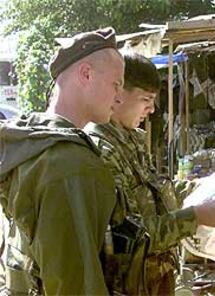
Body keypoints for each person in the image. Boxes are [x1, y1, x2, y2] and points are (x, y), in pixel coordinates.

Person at [85, 51, 215, 295]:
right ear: (118, 94)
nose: (152, 109)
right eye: (145, 99)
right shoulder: (101, 150)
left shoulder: (131, 140)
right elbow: (126, 237)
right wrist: (196, 217)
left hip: (156, 280)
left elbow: (160, 192)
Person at [0, 27, 124, 295]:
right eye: (116, 84)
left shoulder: (29, 142)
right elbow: (77, 286)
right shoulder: (70, 163)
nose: (119, 97)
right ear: (86, 74)